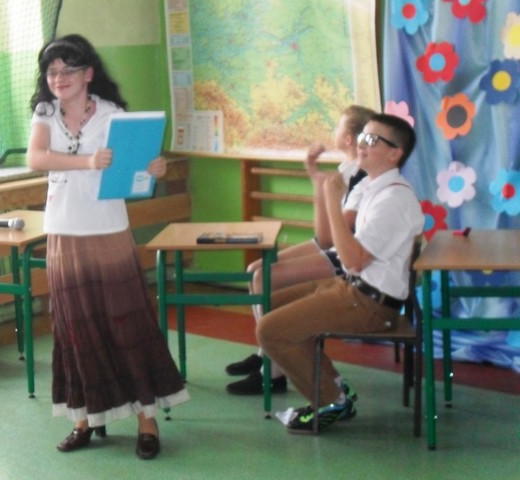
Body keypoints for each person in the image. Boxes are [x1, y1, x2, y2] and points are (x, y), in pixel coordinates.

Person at [26, 34, 189, 460]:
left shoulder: (113, 114)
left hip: (109, 231)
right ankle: (84, 419)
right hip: (64, 233)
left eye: (68, 69)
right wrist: (86, 161)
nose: (59, 78)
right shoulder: (45, 112)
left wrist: (153, 168)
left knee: (127, 326)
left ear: (88, 74)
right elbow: (36, 158)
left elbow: (135, 173)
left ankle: (147, 420)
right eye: (52, 71)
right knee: (75, 331)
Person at [256, 113, 424, 434]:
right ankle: (334, 386)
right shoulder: (373, 187)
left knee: (270, 330)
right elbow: (337, 247)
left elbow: (353, 260)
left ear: (395, 153)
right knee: (271, 302)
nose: (362, 145)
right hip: (352, 288)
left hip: (370, 304)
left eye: (372, 140)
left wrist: (332, 201)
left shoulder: (394, 199)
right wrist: (328, 193)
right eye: (362, 137)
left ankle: (330, 401)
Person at [225, 105, 376, 396]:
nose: (335, 130)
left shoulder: (358, 175)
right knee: (254, 270)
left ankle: (273, 371)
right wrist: (316, 178)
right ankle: (265, 353)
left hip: (348, 257)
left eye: (339, 126)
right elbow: (324, 236)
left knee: (263, 278)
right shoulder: (346, 169)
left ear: (348, 138)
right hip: (335, 247)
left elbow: (330, 239)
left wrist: (321, 186)